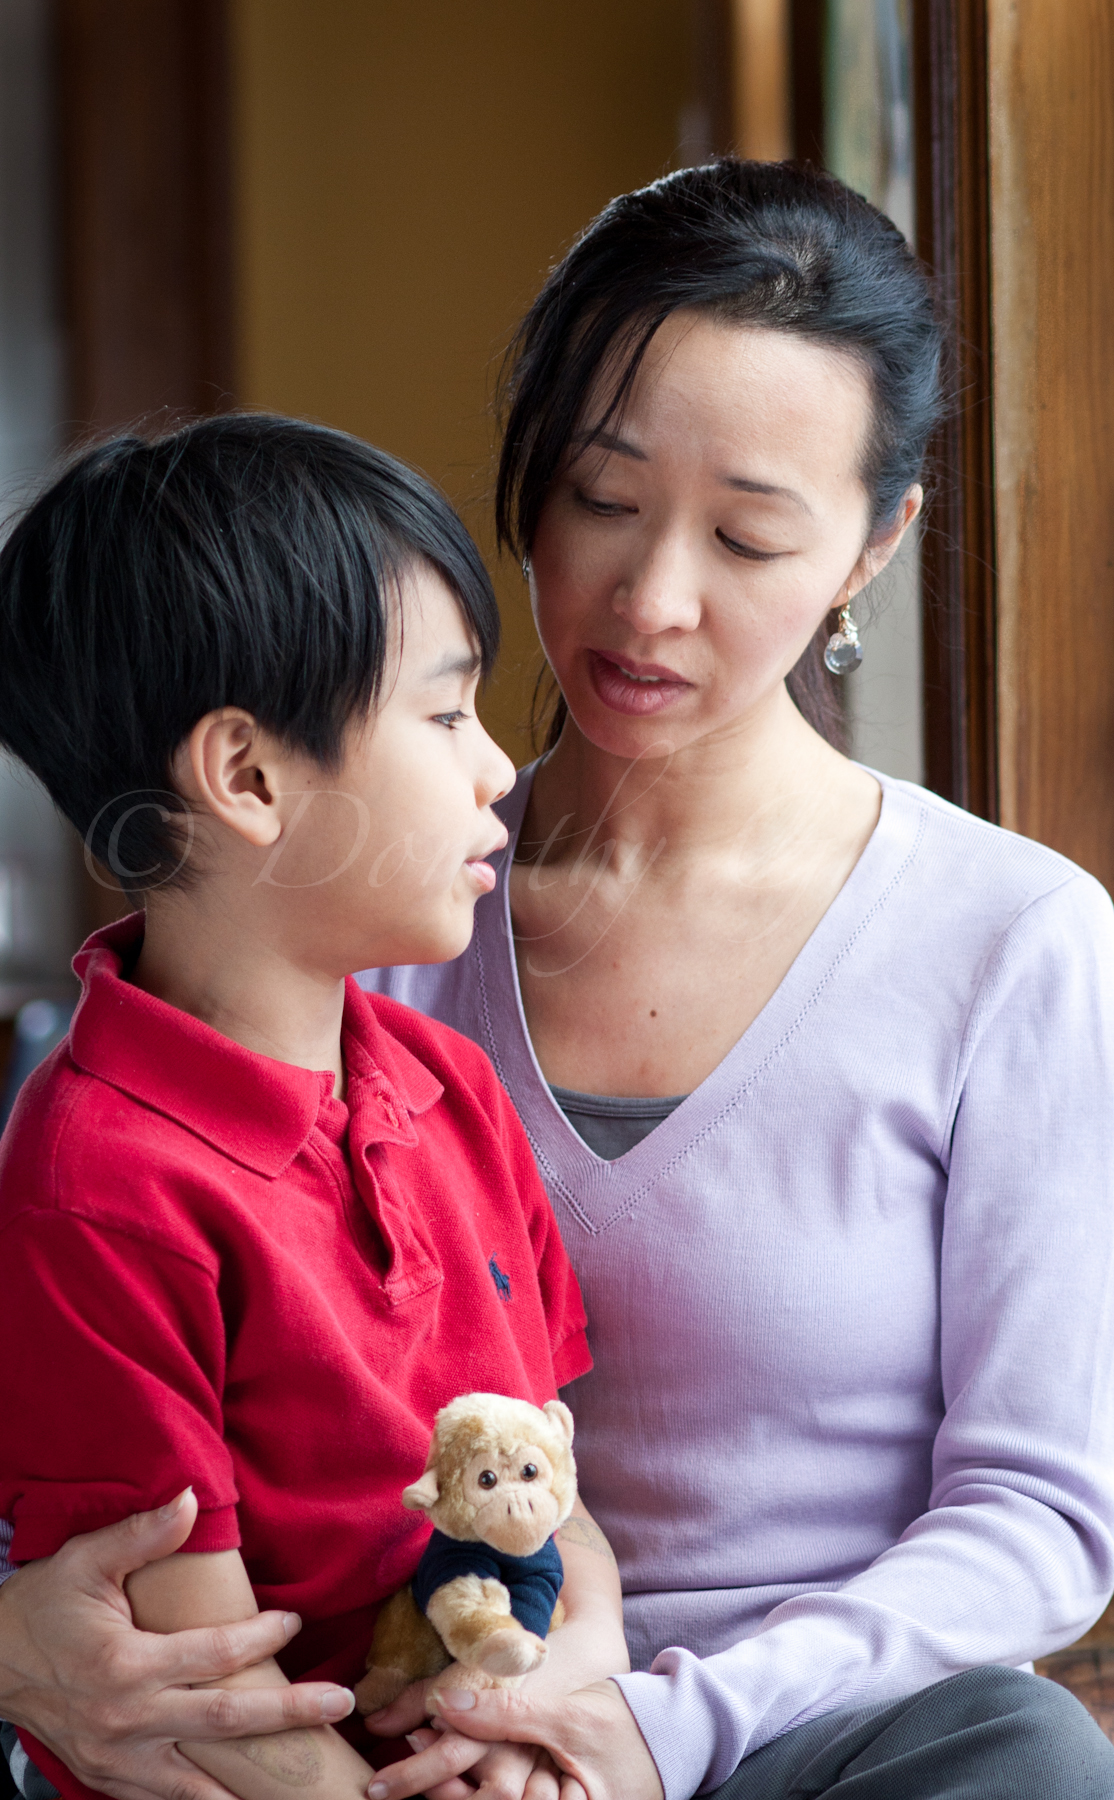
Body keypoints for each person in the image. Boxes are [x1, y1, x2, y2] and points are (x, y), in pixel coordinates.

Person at [2, 158, 1114, 1800]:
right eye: (599, 500)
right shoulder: (368, 910)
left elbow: (1042, 1518)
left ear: (872, 546)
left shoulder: (1014, 941)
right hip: (381, 1716)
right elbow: (98, 1405)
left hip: (804, 1732)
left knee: (1020, 1751)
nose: (648, 601)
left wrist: (649, 1723)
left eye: (746, 536)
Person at [0, 418, 628, 1800]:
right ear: (249, 778)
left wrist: (554, 1713)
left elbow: (549, 1504)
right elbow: (199, 1676)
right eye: (445, 712)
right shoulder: (98, 1184)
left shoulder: (445, 1082)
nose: (496, 773)